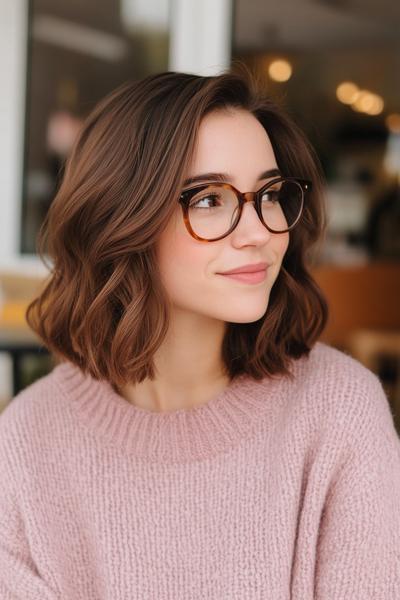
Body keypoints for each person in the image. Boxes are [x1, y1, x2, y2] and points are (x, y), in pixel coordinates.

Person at [1, 66, 399, 599]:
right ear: (122, 220)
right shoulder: (26, 445)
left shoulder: (340, 412)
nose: (260, 231)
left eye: (270, 194)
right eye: (210, 199)